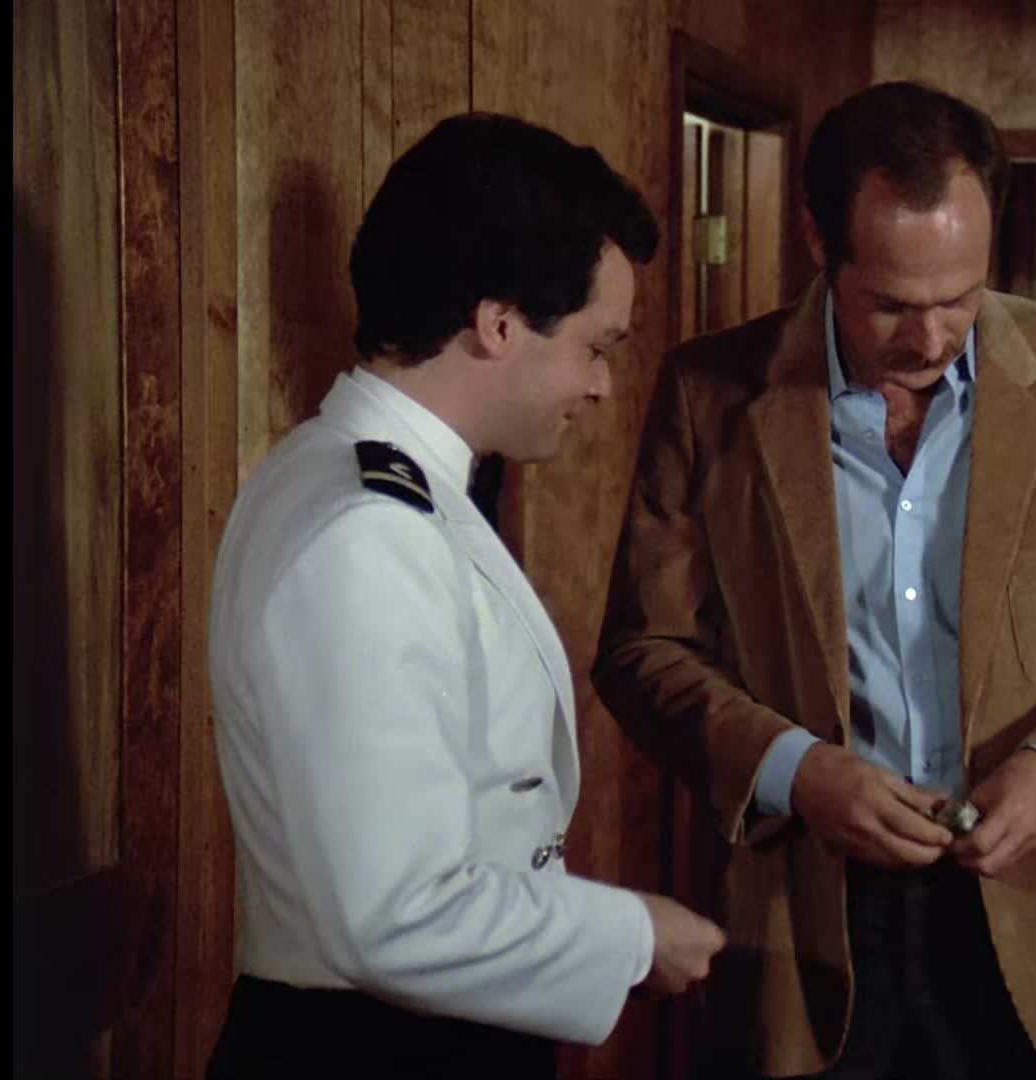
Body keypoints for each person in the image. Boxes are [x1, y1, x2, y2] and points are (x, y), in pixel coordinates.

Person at [593, 81, 1036, 1080]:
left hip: (1028, 910)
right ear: (817, 239)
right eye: (891, 303)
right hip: (804, 918)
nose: (929, 339)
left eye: (959, 299)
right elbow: (643, 649)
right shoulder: (708, 391)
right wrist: (796, 770)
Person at [205, 111, 726, 1079]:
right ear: (499, 325)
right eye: (597, 346)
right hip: (375, 1051)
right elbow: (393, 910)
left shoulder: (353, 476)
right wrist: (631, 937)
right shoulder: (368, 531)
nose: (603, 387)